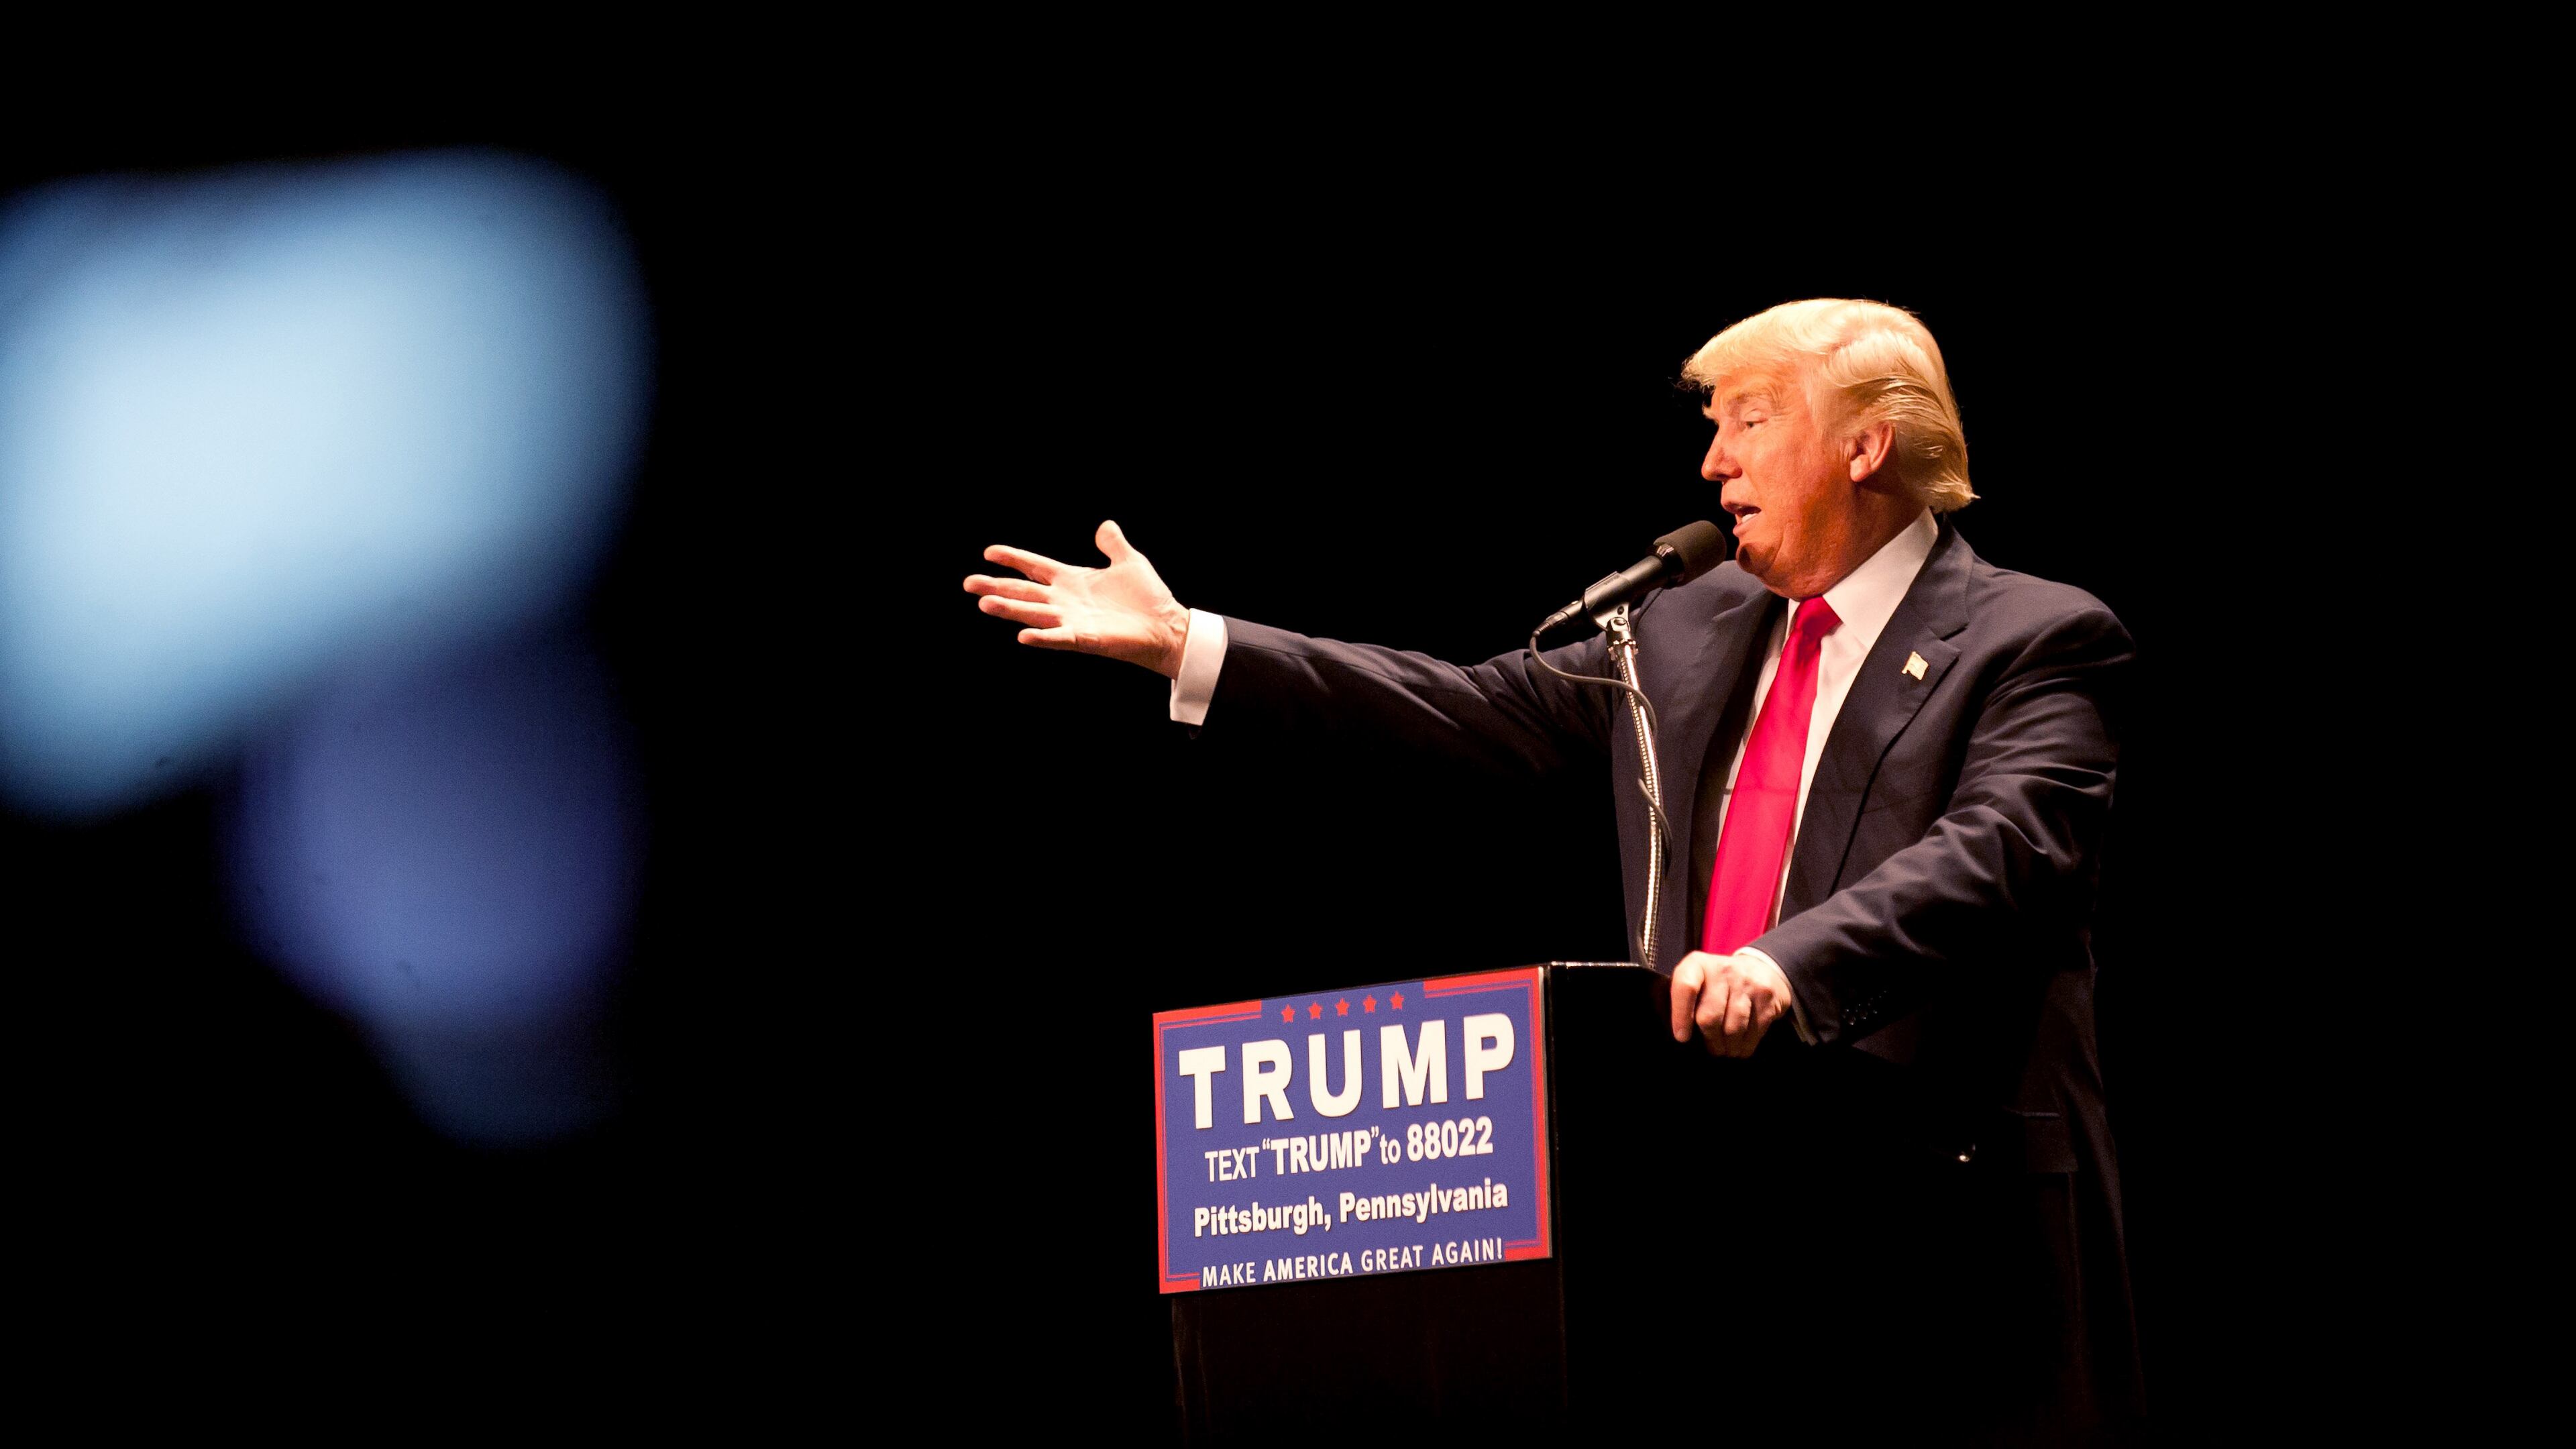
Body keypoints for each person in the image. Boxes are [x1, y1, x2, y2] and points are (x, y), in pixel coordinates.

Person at [965, 299, 2143, 1440]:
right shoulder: (1686, 625)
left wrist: (1784, 969)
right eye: (1714, 428)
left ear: (1864, 446)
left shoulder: (2035, 638)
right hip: (1712, 1229)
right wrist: (1193, 643)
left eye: (1749, 421)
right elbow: (1461, 709)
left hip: (1944, 1236)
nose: (1714, 464)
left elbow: (2001, 851)